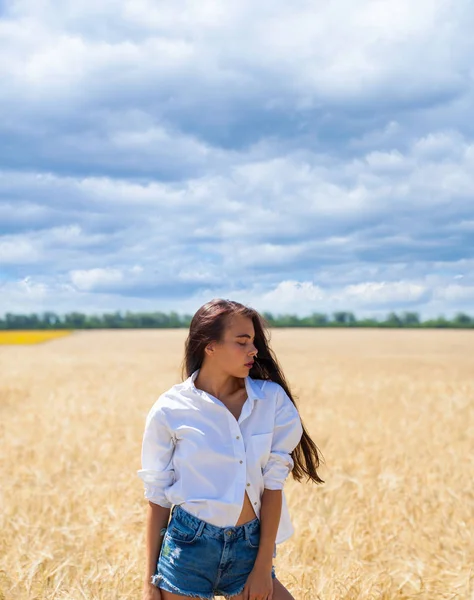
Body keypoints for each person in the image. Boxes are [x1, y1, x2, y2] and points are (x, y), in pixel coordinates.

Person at [138, 299, 324, 600]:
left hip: (249, 549)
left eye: (253, 341)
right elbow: (157, 498)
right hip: (188, 548)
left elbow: (272, 487)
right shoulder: (170, 408)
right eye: (242, 342)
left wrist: (263, 568)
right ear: (209, 346)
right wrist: (150, 583)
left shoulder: (271, 400)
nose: (254, 350)